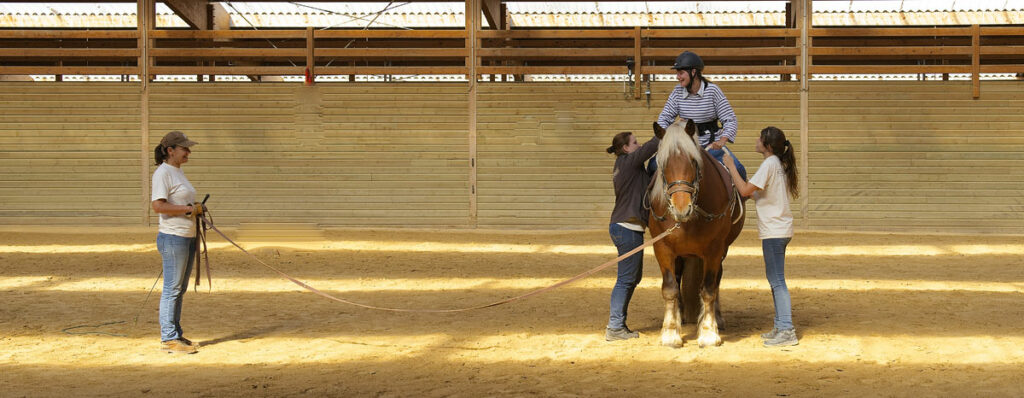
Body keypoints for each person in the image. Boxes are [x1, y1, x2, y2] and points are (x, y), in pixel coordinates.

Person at [722, 126, 799, 347]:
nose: (756, 140)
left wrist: (731, 168)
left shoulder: (769, 164)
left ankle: (786, 330)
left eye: (760, 138)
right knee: (775, 281)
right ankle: (780, 326)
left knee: (777, 282)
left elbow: (746, 191)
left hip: (774, 232)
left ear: (767, 146)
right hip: (779, 230)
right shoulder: (777, 164)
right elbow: (756, 194)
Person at [604, 127, 662, 341]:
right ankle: (615, 326)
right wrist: (667, 130)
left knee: (632, 277)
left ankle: (619, 324)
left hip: (626, 227)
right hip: (627, 228)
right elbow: (650, 147)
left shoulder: (629, 168)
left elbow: (647, 186)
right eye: (634, 143)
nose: (638, 145)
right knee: (625, 279)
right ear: (626, 148)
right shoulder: (628, 162)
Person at [657, 51, 747, 181]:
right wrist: (668, 140)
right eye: (677, 73)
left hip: (710, 146)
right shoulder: (677, 92)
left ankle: (740, 200)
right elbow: (663, 119)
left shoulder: (713, 91)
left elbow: (730, 119)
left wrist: (722, 141)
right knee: (653, 166)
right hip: (685, 147)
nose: (677, 77)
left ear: (693, 72)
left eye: (681, 73)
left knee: (739, 170)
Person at [151, 131, 202, 354]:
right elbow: (158, 206)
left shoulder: (177, 172)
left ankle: (176, 334)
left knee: (179, 289)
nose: (188, 152)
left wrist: (194, 207)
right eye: (184, 148)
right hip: (173, 237)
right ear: (170, 150)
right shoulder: (163, 173)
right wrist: (188, 209)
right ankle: (169, 339)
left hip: (186, 235)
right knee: (172, 288)